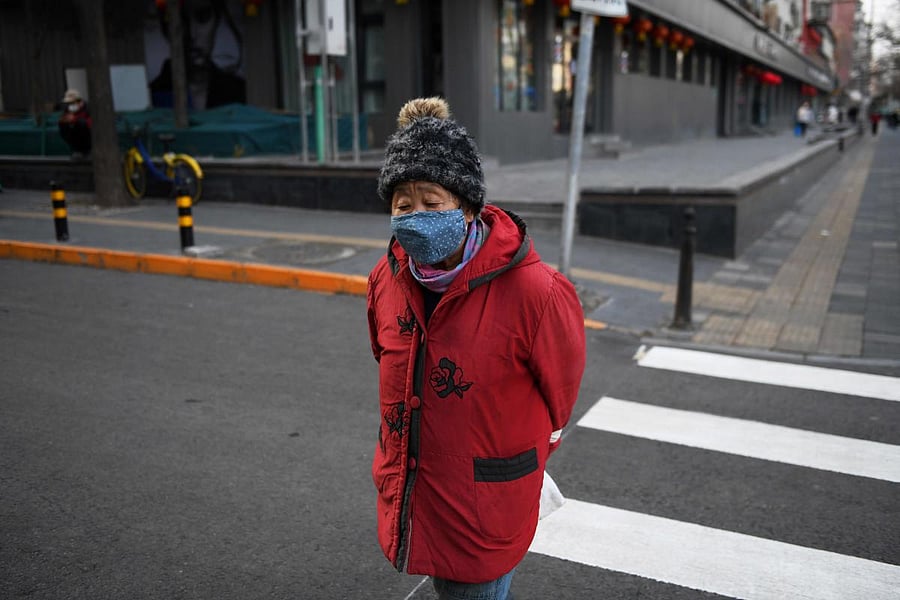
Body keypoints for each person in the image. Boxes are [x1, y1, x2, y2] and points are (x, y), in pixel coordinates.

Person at [366, 97, 586, 600]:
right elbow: (390, 364)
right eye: (402, 203)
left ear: (467, 207)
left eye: (431, 200)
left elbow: (559, 402)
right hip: (414, 493)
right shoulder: (386, 278)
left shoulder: (539, 293)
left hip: (485, 505)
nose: (414, 215)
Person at [57, 89, 92, 157]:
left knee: (81, 123)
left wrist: (75, 120)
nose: (70, 105)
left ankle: (86, 151)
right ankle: (76, 150)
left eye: (72, 103)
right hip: (75, 145)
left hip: (89, 144)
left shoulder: (88, 110)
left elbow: (89, 125)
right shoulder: (67, 112)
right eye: (69, 103)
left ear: (80, 102)